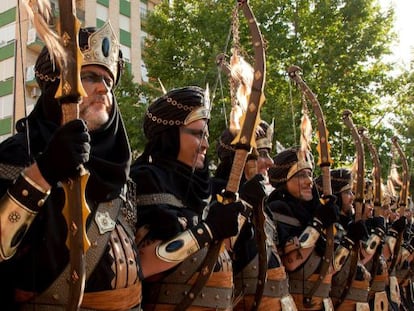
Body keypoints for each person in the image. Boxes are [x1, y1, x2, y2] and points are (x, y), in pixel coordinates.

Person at [0, 22, 142, 310]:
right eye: (90, 76)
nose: (103, 88)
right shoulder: (18, 153)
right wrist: (44, 172)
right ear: (57, 87)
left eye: (109, 81)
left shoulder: (119, 172)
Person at [129, 86, 242, 310]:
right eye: (199, 134)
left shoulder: (201, 190)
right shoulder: (146, 179)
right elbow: (143, 264)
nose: (206, 145)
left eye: (207, 135)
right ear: (170, 135)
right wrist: (208, 230)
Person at [211, 121, 296, 310]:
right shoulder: (213, 194)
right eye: (262, 154)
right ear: (240, 158)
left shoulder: (265, 208)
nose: (271, 162)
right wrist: (244, 204)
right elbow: (216, 255)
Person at [267, 147, 339, 311]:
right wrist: (317, 223)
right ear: (284, 180)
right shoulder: (276, 210)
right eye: (300, 175)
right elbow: (291, 263)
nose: (309, 181)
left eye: (309, 174)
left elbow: (332, 267)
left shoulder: (312, 212)